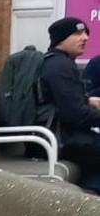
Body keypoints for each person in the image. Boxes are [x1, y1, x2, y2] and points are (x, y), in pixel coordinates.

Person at [40, 17, 100, 193]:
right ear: (61, 38)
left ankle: (91, 191)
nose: (85, 38)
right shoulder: (60, 66)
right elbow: (75, 115)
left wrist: (89, 101)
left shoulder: (58, 63)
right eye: (78, 33)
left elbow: (68, 102)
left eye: (86, 33)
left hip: (61, 135)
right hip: (59, 139)